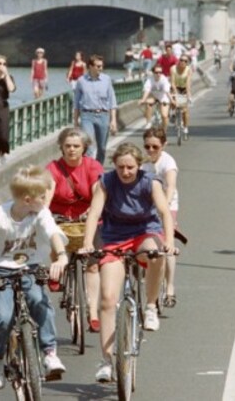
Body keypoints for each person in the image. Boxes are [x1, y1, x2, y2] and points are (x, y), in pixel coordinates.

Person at [0, 166, 68, 389]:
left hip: (29, 267)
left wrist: (60, 257)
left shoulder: (41, 213)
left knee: (40, 304)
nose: (46, 200)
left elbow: (53, 233)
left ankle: (49, 352)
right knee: (3, 317)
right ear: (28, 199)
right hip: (0, 270)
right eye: (43, 196)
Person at [80, 142, 174, 383]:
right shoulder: (106, 182)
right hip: (115, 237)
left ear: (139, 165)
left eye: (130, 167)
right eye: (121, 167)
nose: (125, 172)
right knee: (108, 299)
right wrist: (88, 243)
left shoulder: (150, 182)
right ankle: (106, 360)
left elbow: (164, 212)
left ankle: (151, 306)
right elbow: (93, 213)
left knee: (155, 255)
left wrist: (169, 243)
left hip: (144, 232)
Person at [46, 128, 104, 331]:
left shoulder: (92, 166)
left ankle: (93, 313)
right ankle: (57, 270)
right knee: (54, 239)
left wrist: (94, 209)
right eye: (68, 146)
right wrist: (43, 214)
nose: (71, 150)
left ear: (84, 148)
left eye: (76, 146)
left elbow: (98, 189)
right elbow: (48, 191)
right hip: (60, 217)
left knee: (93, 264)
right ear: (61, 147)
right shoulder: (53, 168)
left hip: (88, 218)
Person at [141, 128, 181, 307]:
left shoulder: (167, 163)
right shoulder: (143, 164)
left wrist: (163, 206)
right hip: (148, 207)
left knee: (167, 244)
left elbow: (171, 186)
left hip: (167, 204)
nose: (150, 150)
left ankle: (170, 287)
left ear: (163, 145)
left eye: (155, 147)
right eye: (147, 146)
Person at [73, 55, 118, 165]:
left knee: (102, 148)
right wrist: (75, 120)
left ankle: (98, 169)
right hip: (87, 116)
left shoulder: (106, 79)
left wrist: (113, 120)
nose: (100, 68)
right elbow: (76, 103)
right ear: (90, 67)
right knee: (89, 146)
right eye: (98, 66)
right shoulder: (81, 81)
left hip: (103, 115)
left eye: (102, 66)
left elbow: (112, 101)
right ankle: (89, 171)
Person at [170, 55, 192, 136]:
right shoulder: (173, 68)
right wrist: (176, 93)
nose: (183, 62)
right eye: (181, 60)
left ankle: (186, 127)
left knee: (185, 110)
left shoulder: (188, 70)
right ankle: (173, 113)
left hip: (184, 88)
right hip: (175, 87)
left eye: (185, 61)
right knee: (172, 99)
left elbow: (188, 83)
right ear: (179, 60)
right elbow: (172, 82)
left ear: (187, 63)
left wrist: (188, 94)